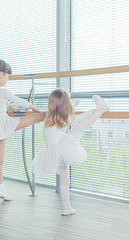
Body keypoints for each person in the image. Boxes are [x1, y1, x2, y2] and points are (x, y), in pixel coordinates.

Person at [32, 88, 109, 216]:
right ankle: (100, 110)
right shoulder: (65, 118)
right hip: (60, 149)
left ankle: (67, 208)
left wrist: (77, 106)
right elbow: (77, 119)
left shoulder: (50, 116)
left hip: (53, 152)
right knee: (79, 127)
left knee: (65, 181)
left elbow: (73, 116)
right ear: (66, 105)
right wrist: (92, 112)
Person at [0, 54, 46, 201]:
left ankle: (1, 189)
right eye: (8, 76)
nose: (8, 79)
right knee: (36, 117)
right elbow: (18, 99)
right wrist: (32, 106)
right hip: (2, 123)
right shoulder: (3, 91)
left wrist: (11, 108)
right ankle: (57, 113)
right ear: (0, 74)